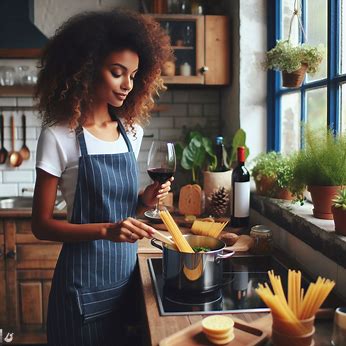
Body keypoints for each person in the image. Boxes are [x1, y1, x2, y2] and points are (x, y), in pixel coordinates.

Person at [31, 8, 173, 346]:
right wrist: (107, 230)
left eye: (134, 75)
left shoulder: (131, 132)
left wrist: (144, 201)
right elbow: (41, 225)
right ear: (87, 69)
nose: (128, 84)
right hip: (81, 291)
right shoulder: (58, 136)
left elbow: (121, 209)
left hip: (126, 283)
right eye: (117, 73)